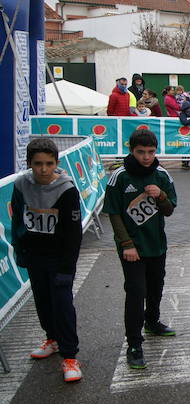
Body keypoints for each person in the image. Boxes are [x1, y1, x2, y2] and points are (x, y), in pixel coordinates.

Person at [102, 128, 178, 370]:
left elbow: (169, 209)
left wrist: (161, 196)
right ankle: (134, 344)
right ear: (131, 151)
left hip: (156, 244)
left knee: (156, 285)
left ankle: (152, 321)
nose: (146, 157)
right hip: (131, 248)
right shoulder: (120, 176)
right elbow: (113, 213)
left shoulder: (162, 174)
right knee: (136, 292)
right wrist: (126, 244)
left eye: (151, 152)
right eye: (140, 152)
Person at [11, 138, 84, 383]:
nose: (43, 169)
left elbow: (74, 234)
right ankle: (51, 339)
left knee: (62, 304)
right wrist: (20, 248)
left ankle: (70, 356)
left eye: (49, 163)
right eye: (38, 164)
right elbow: (18, 220)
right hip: (35, 256)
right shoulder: (21, 184)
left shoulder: (67, 189)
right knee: (42, 301)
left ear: (56, 163)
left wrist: (67, 267)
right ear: (29, 163)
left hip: (59, 258)